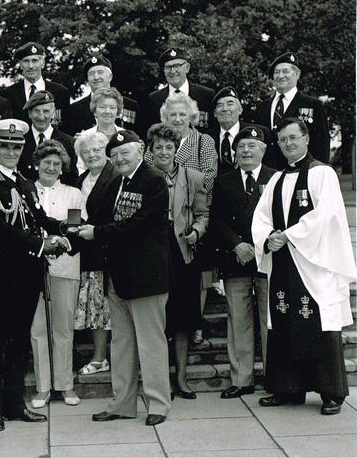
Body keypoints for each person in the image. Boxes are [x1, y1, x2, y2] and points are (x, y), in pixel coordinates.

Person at [0, 118, 71, 432]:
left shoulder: (26, 183)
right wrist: (42, 243)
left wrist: (64, 229)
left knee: (20, 342)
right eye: (5, 146)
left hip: (29, 270)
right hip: (3, 271)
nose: (12, 152)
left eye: (17, 147)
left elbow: (39, 216)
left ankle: (15, 405)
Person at [252, 118, 356, 415]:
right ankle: (288, 388)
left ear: (306, 138)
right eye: (282, 140)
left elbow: (328, 214)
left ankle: (331, 393)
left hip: (314, 262)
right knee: (284, 318)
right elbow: (260, 217)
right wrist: (268, 237)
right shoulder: (276, 179)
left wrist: (288, 235)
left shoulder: (322, 174)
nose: (288, 144)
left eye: (293, 138)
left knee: (318, 323)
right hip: (284, 261)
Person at [77, 129, 172, 426]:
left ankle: (158, 404)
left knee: (151, 343)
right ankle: (122, 403)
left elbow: (139, 225)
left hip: (146, 278)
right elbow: (98, 217)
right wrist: (72, 232)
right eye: (114, 155)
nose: (119, 159)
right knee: (122, 345)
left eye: (124, 153)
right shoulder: (116, 182)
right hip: (118, 277)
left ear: (141, 150)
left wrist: (97, 233)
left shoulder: (154, 180)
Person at [211, 126, 276, 399]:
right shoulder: (223, 181)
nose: (246, 151)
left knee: (270, 321)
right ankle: (241, 379)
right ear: (234, 152)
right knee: (238, 322)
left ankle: (276, 378)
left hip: (267, 260)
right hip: (236, 259)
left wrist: (261, 245)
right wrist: (236, 244)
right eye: (241, 147)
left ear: (263, 150)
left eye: (252, 146)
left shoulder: (276, 178)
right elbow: (216, 219)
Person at [148, 123, 208, 400]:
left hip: (183, 251)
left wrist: (196, 231)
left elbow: (202, 213)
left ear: (176, 149)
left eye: (168, 147)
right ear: (151, 150)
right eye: (158, 147)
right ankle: (159, 381)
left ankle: (181, 378)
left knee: (182, 319)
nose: (163, 152)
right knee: (158, 319)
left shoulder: (193, 177)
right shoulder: (145, 177)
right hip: (152, 254)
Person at [29, 140, 85, 409]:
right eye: (46, 162)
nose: (51, 167)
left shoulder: (74, 194)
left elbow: (74, 229)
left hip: (65, 266)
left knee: (63, 327)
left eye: (56, 164)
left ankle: (65, 385)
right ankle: (43, 388)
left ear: (63, 168)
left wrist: (59, 246)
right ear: (36, 164)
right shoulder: (26, 191)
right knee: (38, 329)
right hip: (32, 267)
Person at [73, 132, 119, 376]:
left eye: (96, 150)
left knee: (106, 308)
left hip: (110, 252)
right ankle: (100, 357)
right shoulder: (81, 179)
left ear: (106, 150)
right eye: (86, 152)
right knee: (96, 308)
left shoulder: (116, 177)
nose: (91, 155)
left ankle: (104, 358)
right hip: (88, 253)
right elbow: (74, 212)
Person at [252, 52, 330, 169]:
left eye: (285, 71)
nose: (280, 76)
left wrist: (317, 171)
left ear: (297, 74)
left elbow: (322, 144)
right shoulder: (262, 108)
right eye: (277, 72)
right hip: (269, 175)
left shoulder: (312, 105)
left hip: (302, 172)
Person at [65, 55, 141, 136]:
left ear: (110, 77)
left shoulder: (130, 105)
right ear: (87, 79)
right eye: (92, 74)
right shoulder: (75, 109)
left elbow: (140, 136)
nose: (96, 77)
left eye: (100, 72)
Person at [146, 47, 215, 134]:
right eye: (168, 67)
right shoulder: (153, 99)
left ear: (187, 68)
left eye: (177, 66)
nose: (173, 71)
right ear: (164, 71)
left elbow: (214, 129)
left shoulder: (207, 95)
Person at [2, 42, 71, 129]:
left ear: (43, 63)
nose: (30, 66)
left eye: (34, 61)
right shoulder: (8, 94)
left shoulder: (61, 92)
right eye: (26, 61)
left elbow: (67, 128)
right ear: (20, 65)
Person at [18, 90, 77, 185]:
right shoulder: (20, 141)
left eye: (46, 111)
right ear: (29, 113)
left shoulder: (69, 143)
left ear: (53, 113)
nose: (41, 117)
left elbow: (72, 179)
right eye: (37, 111)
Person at [209, 86, 269, 176]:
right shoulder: (206, 138)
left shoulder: (261, 133)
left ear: (240, 110)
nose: (224, 109)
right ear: (215, 113)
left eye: (230, 104)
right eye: (219, 105)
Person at [76, 87, 124, 175]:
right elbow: (81, 168)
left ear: (117, 112)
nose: (107, 111)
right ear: (95, 111)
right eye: (102, 107)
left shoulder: (125, 136)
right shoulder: (85, 136)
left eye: (112, 108)